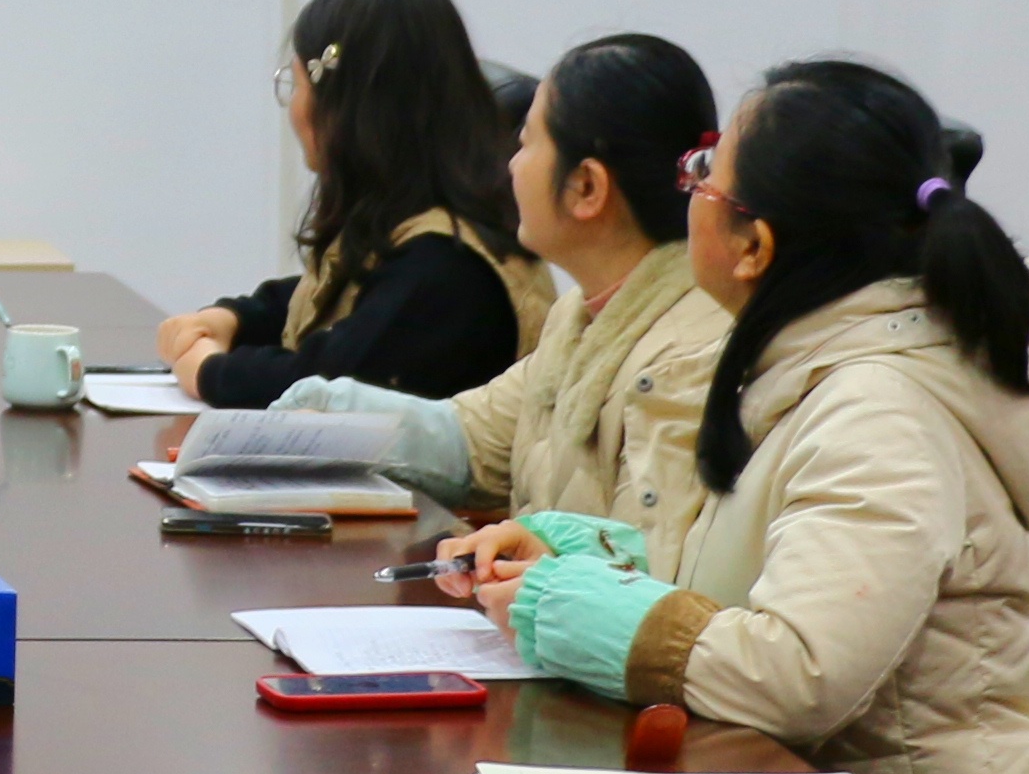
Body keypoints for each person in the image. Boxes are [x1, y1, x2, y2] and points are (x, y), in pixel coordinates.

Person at [461, 58, 1029, 774]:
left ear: (752, 246)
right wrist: (581, 557)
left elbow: (801, 673)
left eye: (705, 173)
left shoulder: (880, 411)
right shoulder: (807, 366)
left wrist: (572, 609)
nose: (688, 186)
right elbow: (755, 578)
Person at [210, 31, 730, 555]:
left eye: (526, 143)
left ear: (586, 188)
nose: (511, 165)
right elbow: (470, 439)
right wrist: (319, 413)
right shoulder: (582, 313)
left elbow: (645, 566)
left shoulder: (682, 360)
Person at [157, 0, 553, 406]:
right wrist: (234, 319)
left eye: (295, 85)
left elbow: (323, 388)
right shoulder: (419, 227)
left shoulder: (447, 267)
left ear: (338, 109)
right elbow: (340, 298)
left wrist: (207, 370)